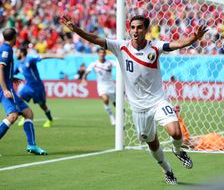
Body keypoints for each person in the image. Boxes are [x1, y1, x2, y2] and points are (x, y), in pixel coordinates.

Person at [61, 14, 208, 185]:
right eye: (132, 27)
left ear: (146, 30)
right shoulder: (121, 47)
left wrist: (194, 38)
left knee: (176, 132)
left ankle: (178, 151)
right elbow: (95, 39)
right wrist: (76, 29)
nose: (135, 31)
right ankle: (167, 170)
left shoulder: (155, 47)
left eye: (139, 27)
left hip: (158, 100)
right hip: (139, 108)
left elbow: (177, 44)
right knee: (152, 143)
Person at [0, 28, 47, 157]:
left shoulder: (2, 49)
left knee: (28, 113)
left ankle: (32, 145)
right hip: (3, 88)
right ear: (15, 37)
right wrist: (5, 89)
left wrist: (11, 78)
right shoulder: (6, 50)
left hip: (6, 84)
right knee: (12, 116)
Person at [15, 47, 63, 128]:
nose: (16, 54)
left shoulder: (29, 59)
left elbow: (43, 57)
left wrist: (57, 56)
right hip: (28, 86)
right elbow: (11, 73)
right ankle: (24, 116)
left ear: (22, 53)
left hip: (37, 87)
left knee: (42, 105)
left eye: (17, 51)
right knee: (18, 98)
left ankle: (50, 119)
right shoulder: (19, 65)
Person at [82, 48, 116, 125]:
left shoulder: (110, 63)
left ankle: (120, 117)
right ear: (98, 54)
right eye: (100, 53)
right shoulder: (94, 64)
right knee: (105, 99)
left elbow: (119, 65)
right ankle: (111, 117)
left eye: (103, 53)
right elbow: (87, 72)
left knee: (116, 104)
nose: (102, 54)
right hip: (101, 85)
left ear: (105, 54)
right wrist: (84, 79)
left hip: (110, 85)